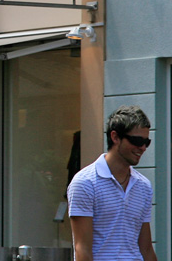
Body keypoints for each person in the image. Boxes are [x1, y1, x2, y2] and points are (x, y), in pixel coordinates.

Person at [67, 105, 157, 261]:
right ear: (115, 137)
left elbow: (146, 248)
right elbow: (83, 249)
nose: (142, 147)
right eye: (136, 140)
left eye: (146, 142)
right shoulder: (85, 182)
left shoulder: (144, 186)